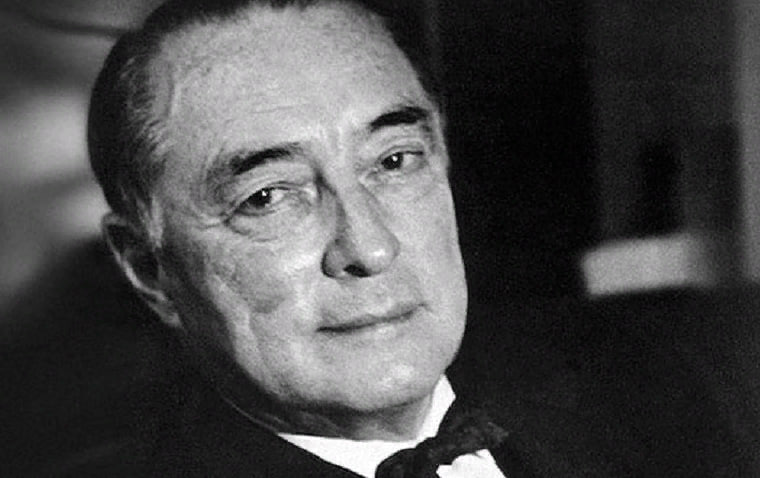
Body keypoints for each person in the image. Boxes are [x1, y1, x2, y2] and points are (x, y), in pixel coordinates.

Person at [77, 1, 636, 476]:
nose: (370, 249)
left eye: (394, 161)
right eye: (267, 197)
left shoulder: (646, 395)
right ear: (149, 270)